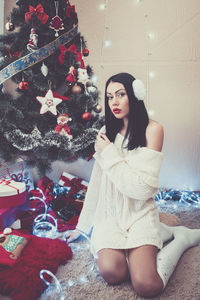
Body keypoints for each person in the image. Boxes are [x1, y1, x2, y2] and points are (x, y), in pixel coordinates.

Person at [66, 72, 200, 298]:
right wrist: (82, 226)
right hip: (110, 216)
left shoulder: (153, 130)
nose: (114, 102)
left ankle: (182, 238)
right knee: (112, 272)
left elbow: (141, 190)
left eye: (121, 94)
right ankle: (153, 238)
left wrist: (109, 154)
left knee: (148, 285)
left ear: (135, 95)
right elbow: (98, 184)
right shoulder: (105, 132)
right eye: (109, 97)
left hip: (139, 214)